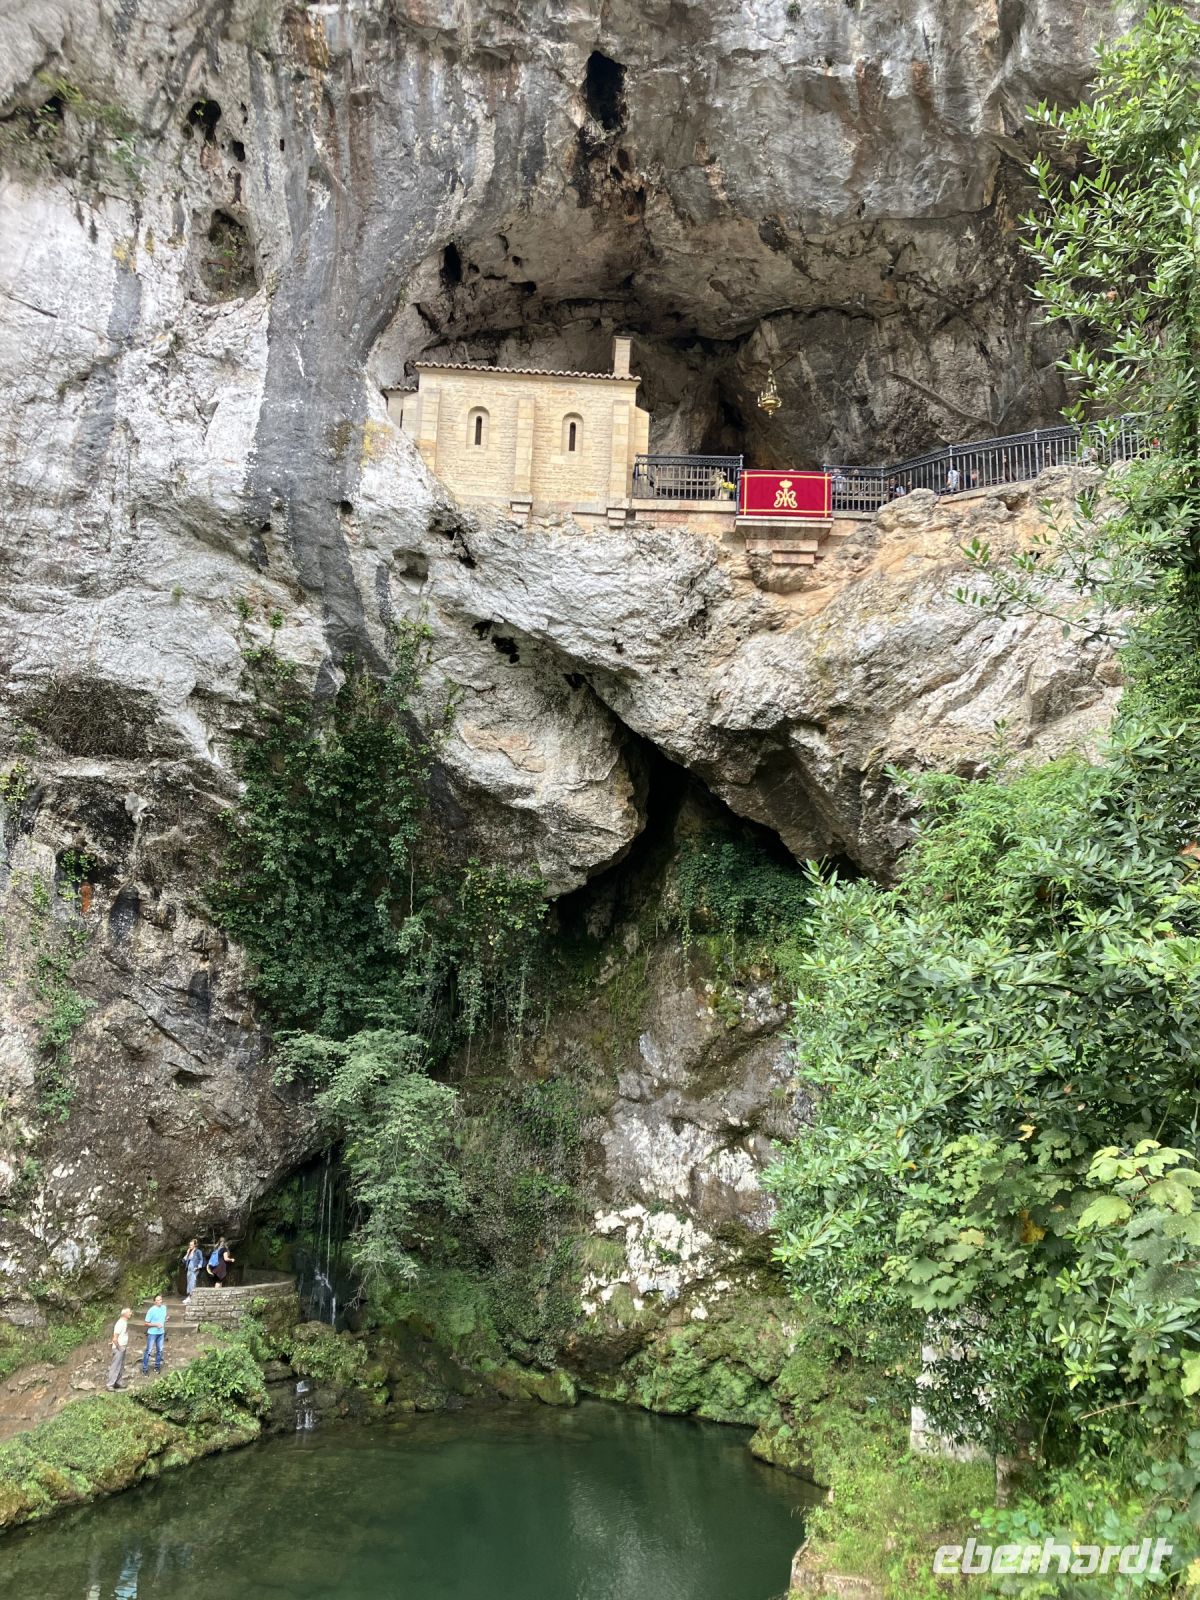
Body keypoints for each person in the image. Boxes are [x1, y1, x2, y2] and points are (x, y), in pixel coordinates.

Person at [107, 1305, 132, 1391]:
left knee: (121, 1365)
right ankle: (110, 1384)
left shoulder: (124, 1322)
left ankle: (118, 1382)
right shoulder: (120, 1323)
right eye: (129, 1312)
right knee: (115, 1366)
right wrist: (119, 1347)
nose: (131, 1314)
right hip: (119, 1348)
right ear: (124, 1314)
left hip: (122, 1347)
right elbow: (115, 1338)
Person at [142, 1294, 168, 1375]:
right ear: (154, 1302)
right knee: (149, 1351)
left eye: (160, 1299)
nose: (159, 1301)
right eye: (157, 1300)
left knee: (159, 1350)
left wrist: (165, 1319)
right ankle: (145, 1369)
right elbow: (146, 1323)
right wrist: (156, 1324)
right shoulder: (151, 1310)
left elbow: (163, 1318)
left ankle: (157, 1367)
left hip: (161, 1333)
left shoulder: (164, 1308)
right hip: (152, 1333)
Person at [182, 1238, 203, 1305]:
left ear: (195, 1245)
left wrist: (199, 1266)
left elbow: (201, 1259)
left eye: (191, 1245)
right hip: (189, 1269)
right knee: (189, 1282)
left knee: (192, 1282)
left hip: (195, 1268)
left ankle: (191, 1297)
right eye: (189, 1245)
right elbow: (184, 1260)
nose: (190, 1246)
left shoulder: (198, 1251)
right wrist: (187, 1253)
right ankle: (189, 1296)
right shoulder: (189, 1252)